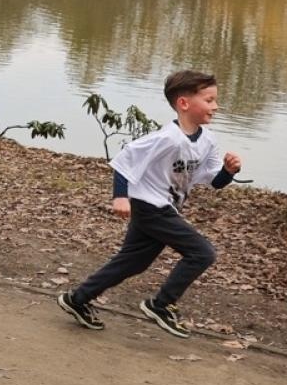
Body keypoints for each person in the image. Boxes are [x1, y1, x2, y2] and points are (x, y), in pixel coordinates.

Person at [58, 71, 242, 338]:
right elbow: (125, 161)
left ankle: (77, 299)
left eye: (216, 100)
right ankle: (161, 305)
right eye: (210, 99)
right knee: (202, 253)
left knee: (132, 263)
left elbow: (214, 182)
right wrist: (120, 196)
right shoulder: (167, 138)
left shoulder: (207, 141)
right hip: (151, 206)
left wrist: (229, 171)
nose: (216, 106)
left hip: (165, 207)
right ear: (184, 103)